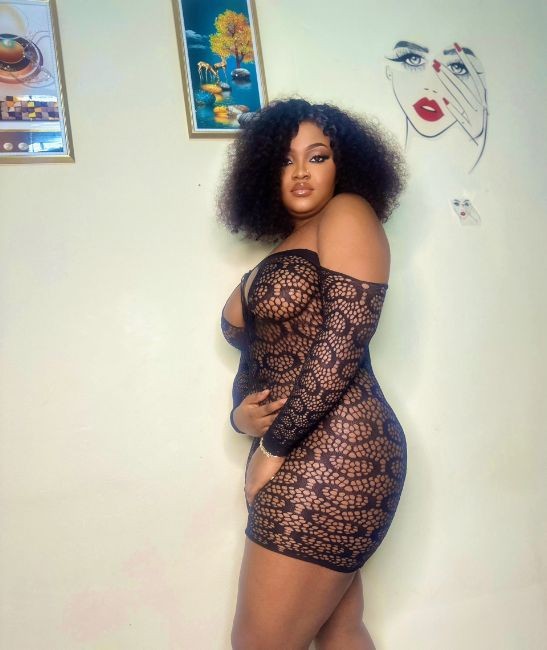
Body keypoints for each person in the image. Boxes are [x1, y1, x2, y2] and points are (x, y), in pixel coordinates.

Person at [219, 98, 407, 650]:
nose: (301, 171)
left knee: (258, 644)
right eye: (285, 159)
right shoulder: (283, 247)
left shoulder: (348, 213)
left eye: (317, 156)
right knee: (339, 628)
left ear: (343, 165)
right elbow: (259, 357)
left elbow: (344, 341)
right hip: (302, 446)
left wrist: (272, 449)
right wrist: (240, 418)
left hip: (339, 449)